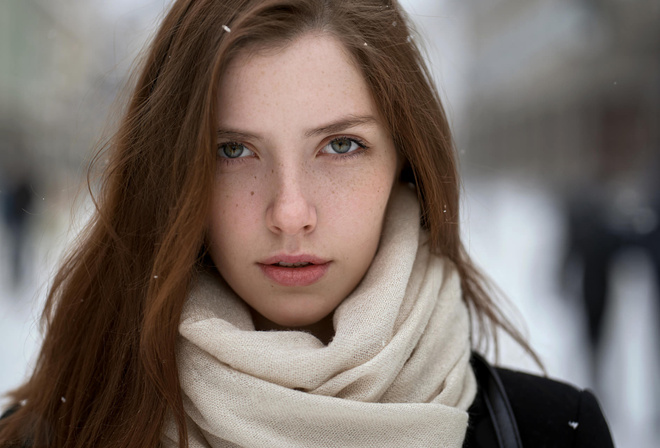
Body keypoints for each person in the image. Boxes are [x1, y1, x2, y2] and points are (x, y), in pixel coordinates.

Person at [0, 1, 614, 447]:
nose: (290, 213)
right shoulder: (57, 433)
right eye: (232, 151)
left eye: (341, 146)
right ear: (172, 174)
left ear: (406, 163)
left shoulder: (551, 432)